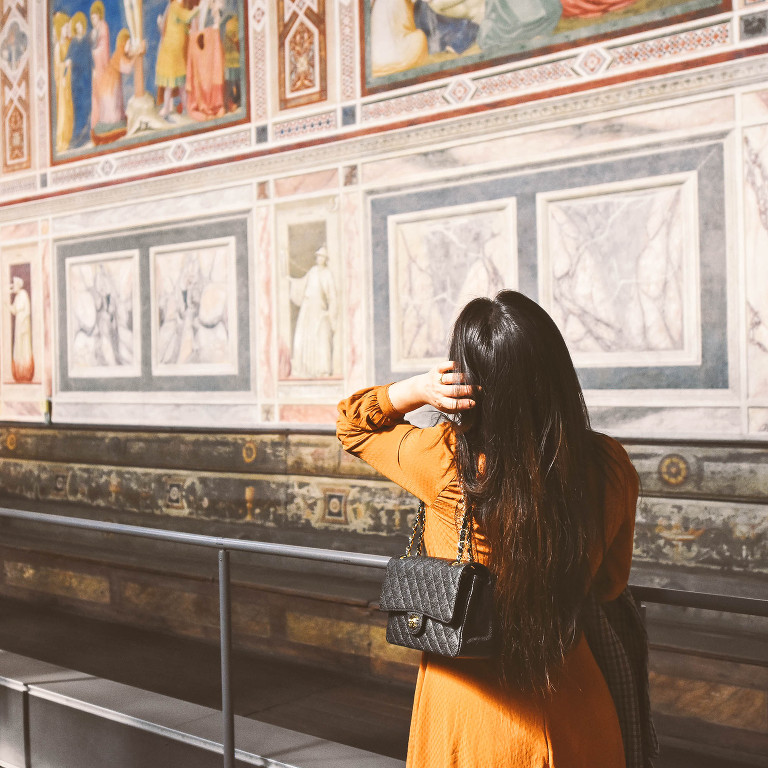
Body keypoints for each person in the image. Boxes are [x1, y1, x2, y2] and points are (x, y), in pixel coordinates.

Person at [337, 290, 640, 767]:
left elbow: (352, 424)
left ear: (466, 380)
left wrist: (417, 389)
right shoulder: (609, 465)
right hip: (579, 715)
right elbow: (610, 585)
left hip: (473, 717)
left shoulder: (443, 461)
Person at [289, 245, 337, 378]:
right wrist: (292, 281)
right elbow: (303, 284)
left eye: (322, 257)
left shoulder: (327, 274)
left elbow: (332, 295)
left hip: (319, 310)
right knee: (305, 336)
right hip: (308, 309)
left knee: (320, 337)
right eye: (318, 256)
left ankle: (321, 370)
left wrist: (329, 312)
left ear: (325, 259)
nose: (319, 259)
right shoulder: (313, 271)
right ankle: (306, 369)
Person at [8, 276, 34, 383]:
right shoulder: (17, 297)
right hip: (18, 324)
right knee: (18, 347)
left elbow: (27, 311)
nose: (13, 286)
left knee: (24, 347)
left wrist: (24, 325)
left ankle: (25, 372)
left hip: (23, 325)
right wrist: (5, 298)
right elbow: (14, 310)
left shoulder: (23, 294)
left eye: (14, 284)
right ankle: (18, 373)